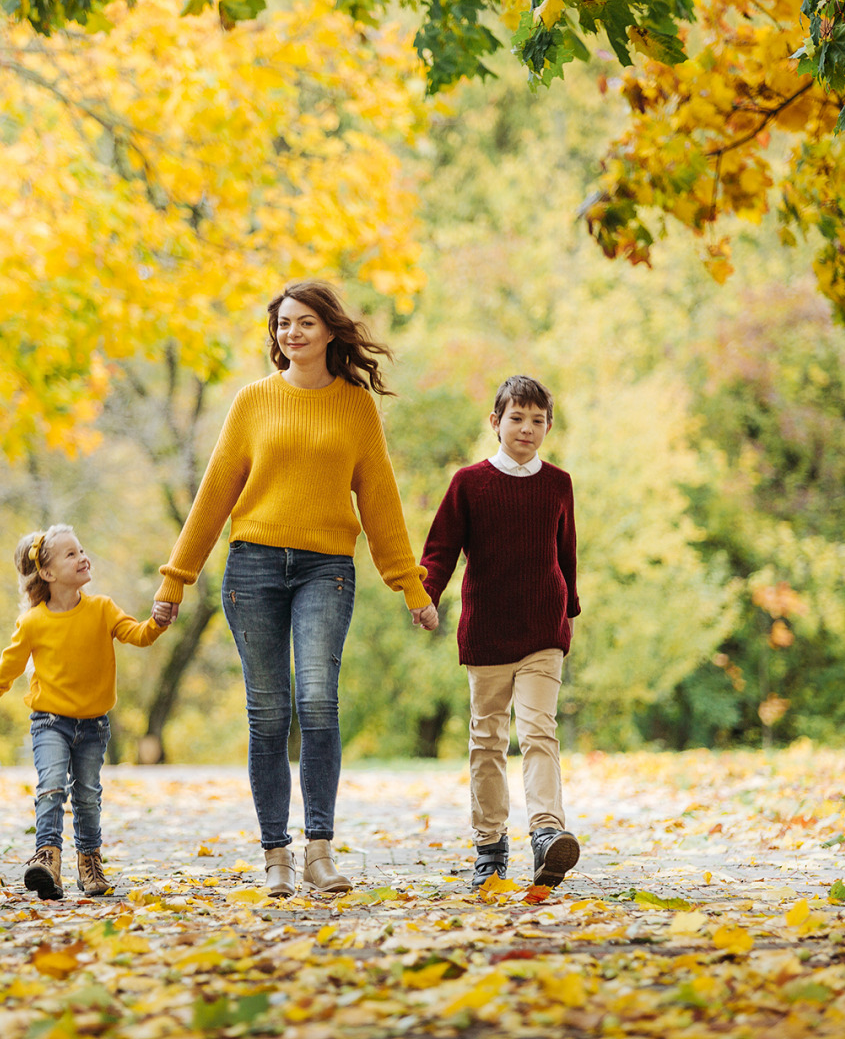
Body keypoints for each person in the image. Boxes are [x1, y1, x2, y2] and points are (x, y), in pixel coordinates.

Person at [151, 279, 438, 897]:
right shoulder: (253, 401)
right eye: (284, 324)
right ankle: (276, 855)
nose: (293, 333)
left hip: (325, 569)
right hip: (252, 565)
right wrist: (177, 578)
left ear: (330, 331)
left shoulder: (356, 407)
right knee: (268, 713)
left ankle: (320, 851)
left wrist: (410, 587)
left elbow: (381, 500)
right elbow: (215, 493)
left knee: (317, 702)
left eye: (306, 322)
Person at [419, 375, 582, 891]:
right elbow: (441, 547)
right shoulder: (469, 483)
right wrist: (424, 597)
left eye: (538, 421)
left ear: (548, 427)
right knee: (487, 739)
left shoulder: (559, 483)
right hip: (487, 629)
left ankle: (546, 834)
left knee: (539, 730)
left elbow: (566, 555)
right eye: (517, 418)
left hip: (542, 630)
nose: (527, 429)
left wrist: (568, 612)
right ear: (496, 422)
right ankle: (490, 847)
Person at [0, 524, 170, 900]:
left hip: (93, 724)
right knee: (51, 786)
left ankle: (89, 861)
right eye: (71, 554)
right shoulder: (34, 621)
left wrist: (158, 621)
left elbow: (138, 634)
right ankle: (48, 858)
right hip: (50, 721)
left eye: (82, 550)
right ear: (48, 574)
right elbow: (11, 662)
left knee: (87, 795)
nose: (83, 558)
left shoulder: (102, 608)